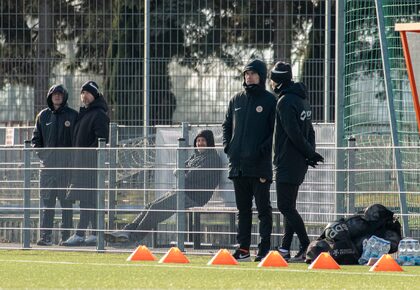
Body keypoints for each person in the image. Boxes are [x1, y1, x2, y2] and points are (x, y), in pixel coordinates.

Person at [104, 129, 222, 244]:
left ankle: (132, 238)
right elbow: (179, 169)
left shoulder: (212, 159)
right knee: (150, 206)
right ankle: (126, 231)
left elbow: (191, 175)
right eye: (198, 141)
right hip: (181, 191)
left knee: (156, 209)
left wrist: (183, 171)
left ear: (210, 142)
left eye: (203, 141)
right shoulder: (195, 156)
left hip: (193, 197)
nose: (199, 143)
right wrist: (183, 171)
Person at [222, 59, 277, 262]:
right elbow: (226, 125)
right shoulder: (236, 100)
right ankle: (243, 249)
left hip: (260, 166)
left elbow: (274, 132)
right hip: (238, 167)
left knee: (263, 210)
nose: (249, 77)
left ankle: (263, 249)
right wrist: (229, 147)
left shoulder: (270, 101)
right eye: (246, 74)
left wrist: (261, 151)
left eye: (253, 73)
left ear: (261, 76)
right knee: (242, 210)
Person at [270, 61, 324, 262]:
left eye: (272, 79)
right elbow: (309, 131)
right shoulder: (302, 99)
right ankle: (285, 248)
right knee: (290, 206)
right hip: (299, 160)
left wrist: (309, 153)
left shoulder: (284, 102)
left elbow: (293, 133)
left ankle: (305, 245)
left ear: (277, 81)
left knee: (285, 206)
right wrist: (310, 153)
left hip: (287, 161)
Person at [62, 80, 110, 246]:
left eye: (88, 92)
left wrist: (87, 156)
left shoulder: (99, 114)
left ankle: (81, 234)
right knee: (88, 200)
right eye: (82, 92)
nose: (84, 96)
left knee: (87, 200)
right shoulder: (85, 114)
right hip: (80, 164)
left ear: (94, 94)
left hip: (90, 164)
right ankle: (95, 234)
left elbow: (102, 140)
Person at [32, 84, 78, 246]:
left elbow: (78, 142)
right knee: (47, 203)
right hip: (47, 169)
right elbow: (36, 140)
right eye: (54, 94)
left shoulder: (73, 116)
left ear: (64, 96)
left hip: (66, 169)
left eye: (60, 94)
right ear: (50, 97)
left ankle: (66, 237)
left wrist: (72, 162)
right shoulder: (43, 116)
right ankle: (45, 237)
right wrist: (44, 156)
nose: (57, 97)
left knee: (66, 203)